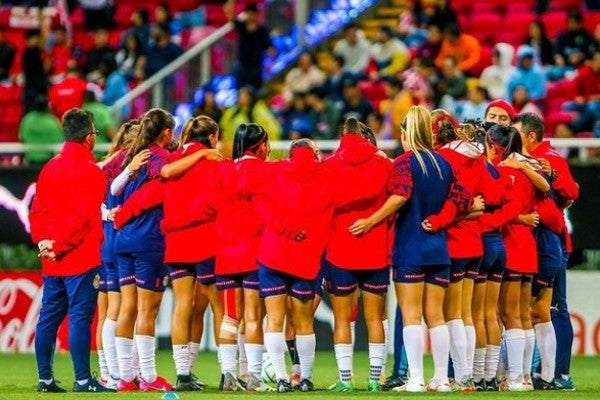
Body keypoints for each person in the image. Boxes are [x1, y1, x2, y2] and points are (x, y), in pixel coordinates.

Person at [349, 106, 470, 392]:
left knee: (412, 315)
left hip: (410, 248)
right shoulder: (445, 164)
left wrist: (370, 220)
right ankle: (441, 380)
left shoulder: (404, 163)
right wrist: (441, 220)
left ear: (405, 134)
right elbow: (464, 200)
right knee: (436, 316)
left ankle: (415, 379)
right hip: (439, 249)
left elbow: (400, 195)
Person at [29, 108, 113, 393]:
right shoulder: (91, 172)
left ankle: (45, 379)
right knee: (79, 317)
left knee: (48, 318)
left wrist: (44, 242)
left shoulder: (49, 167)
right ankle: (82, 380)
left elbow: (37, 210)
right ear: (89, 137)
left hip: (52, 259)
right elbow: (84, 218)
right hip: (80, 256)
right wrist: (61, 246)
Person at [259, 139, 334, 393]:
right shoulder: (326, 175)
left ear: (291, 154)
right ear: (314, 154)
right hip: (305, 258)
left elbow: (259, 204)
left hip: (273, 255)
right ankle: (306, 379)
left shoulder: (273, 170)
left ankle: (281, 378)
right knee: (303, 322)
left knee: (275, 320)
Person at [324, 118, 392, 392]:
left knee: (343, 318)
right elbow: (397, 199)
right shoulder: (384, 164)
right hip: (375, 249)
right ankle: (376, 380)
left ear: (342, 135)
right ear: (365, 136)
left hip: (340, 248)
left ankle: (345, 380)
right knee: (375, 318)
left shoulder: (328, 166)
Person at [514, 112, 579, 390]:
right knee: (546, 309)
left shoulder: (547, 158)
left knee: (550, 309)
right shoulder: (541, 158)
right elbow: (568, 194)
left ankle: (555, 374)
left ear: (530, 136)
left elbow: (571, 192)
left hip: (547, 242)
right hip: (550, 242)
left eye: (517, 135)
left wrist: (550, 177)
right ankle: (548, 374)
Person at [112, 108, 174, 392]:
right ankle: (148, 378)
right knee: (147, 311)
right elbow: (169, 176)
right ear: (166, 133)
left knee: (127, 308)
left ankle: (126, 377)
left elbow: (114, 189)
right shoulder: (161, 159)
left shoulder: (131, 158)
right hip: (149, 240)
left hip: (122, 240)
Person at [484, 124, 549, 391]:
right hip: (527, 245)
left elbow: (502, 206)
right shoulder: (525, 168)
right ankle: (523, 376)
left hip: (509, 241)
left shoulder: (502, 171)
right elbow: (545, 186)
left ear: (495, 146)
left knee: (508, 314)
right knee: (522, 314)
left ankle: (513, 378)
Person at [426, 113, 488, 391]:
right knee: (466, 314)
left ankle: (462, 377)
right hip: (475, 240)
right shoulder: (475, 156)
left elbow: (450, 201)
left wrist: (444, 218)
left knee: (452, 314)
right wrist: (473, 209)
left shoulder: (442, 159)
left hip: (453, 239)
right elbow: (490, 196)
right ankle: (469, 376)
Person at [214, 123, 273, 392]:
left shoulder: (223, 169)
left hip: (226, 252)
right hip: (253, 251)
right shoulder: (265, 170)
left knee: (230, 317)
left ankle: (228, 374)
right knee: (252, 317)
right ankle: (253, 377)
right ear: (260, 145)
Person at [224, 1, 274, 90]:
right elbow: (228, 13)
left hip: (256, 68)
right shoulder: (241, 26)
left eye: (253, 13)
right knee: (240, 92)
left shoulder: (262, 31)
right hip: (242, 67)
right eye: (249, 13)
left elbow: (270, 50)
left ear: (256, 15)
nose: (251, 16)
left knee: (255, 92)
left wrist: (269, 65)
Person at [18, 94, 63, 165]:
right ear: (47, 106)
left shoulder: (27, 119)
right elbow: (59, 141)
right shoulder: (52, 121)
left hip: (30, 160)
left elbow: (22, 137)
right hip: (47, 162)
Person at [22, 29, 49, 113]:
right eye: (33, 39)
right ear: (27, 40)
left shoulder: (41, 52)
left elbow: (46, 68)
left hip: (41, 87)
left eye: (36, 38)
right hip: (31, 88)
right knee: (30, 112)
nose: (35, 40)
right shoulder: (27, 53)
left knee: (43, 112)